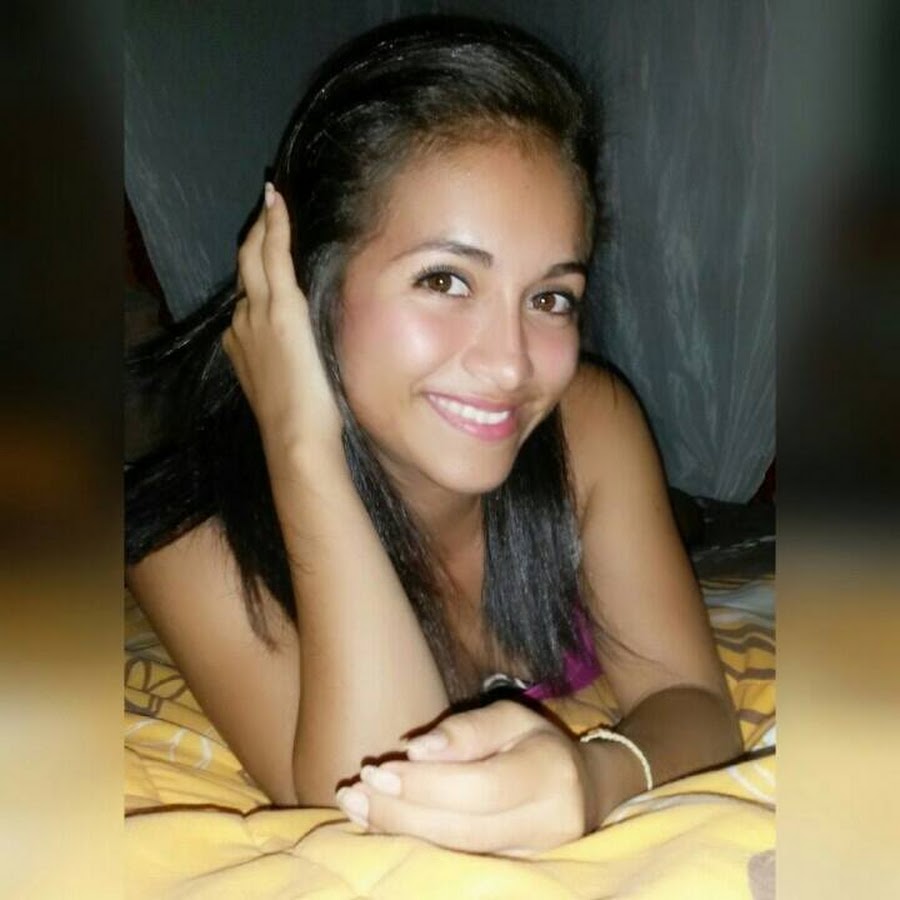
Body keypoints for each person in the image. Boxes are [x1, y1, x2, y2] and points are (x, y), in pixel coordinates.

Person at [125, 15, 742, 855]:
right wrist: (304, 452)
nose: (511, 363)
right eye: (445, 280)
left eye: (550, 297)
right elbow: (377, 812)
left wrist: (597, 777)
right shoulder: (193, 542)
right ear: (305, 287)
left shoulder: (589, 423)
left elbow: (695, 704)